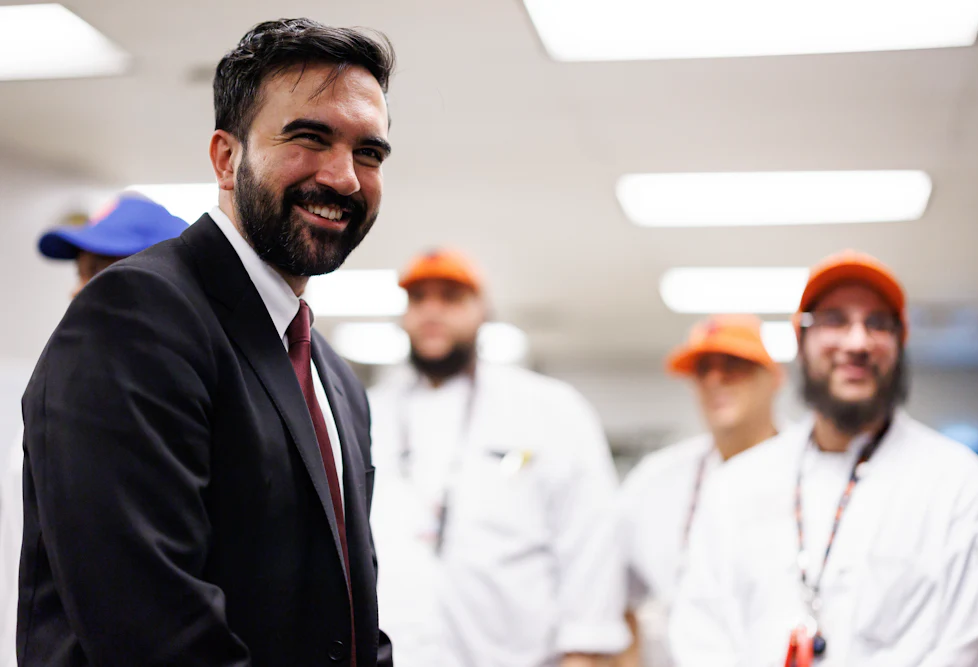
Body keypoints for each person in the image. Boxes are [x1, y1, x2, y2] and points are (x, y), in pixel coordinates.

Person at [18, 19, 395, 666]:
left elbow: (351, 618)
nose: (345, 177)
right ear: (227, 157)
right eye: (310, 137)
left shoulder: (334, 377)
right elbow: (151, 630)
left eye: (369, 152)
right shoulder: (137, 317)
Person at [669, 250, 978, 666]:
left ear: (901, 342)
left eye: (878, 323)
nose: (857, 342)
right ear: (799, 340)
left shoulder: (959, 484)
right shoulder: (736, 485)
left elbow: (972, 645)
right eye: (834, 320)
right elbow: (701, 633)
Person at [368, 249, 629, 667]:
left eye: (451, 297)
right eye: (419, 299)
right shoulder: (367, 411)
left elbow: (590, 541)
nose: (432, 311)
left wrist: (583, 649)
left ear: (483, 311)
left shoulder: (549, 409)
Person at [0, 193, 188, 667]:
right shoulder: (76, 392)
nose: (76, 292)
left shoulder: (199, 407)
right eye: (80, 273)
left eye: (97, 274)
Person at [615, 315, 781, 667]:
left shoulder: (812, 473)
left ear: (773, 377)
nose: (715, 380)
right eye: (702, 370)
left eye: (733, 366)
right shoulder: (656, 479)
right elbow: (610, 591)